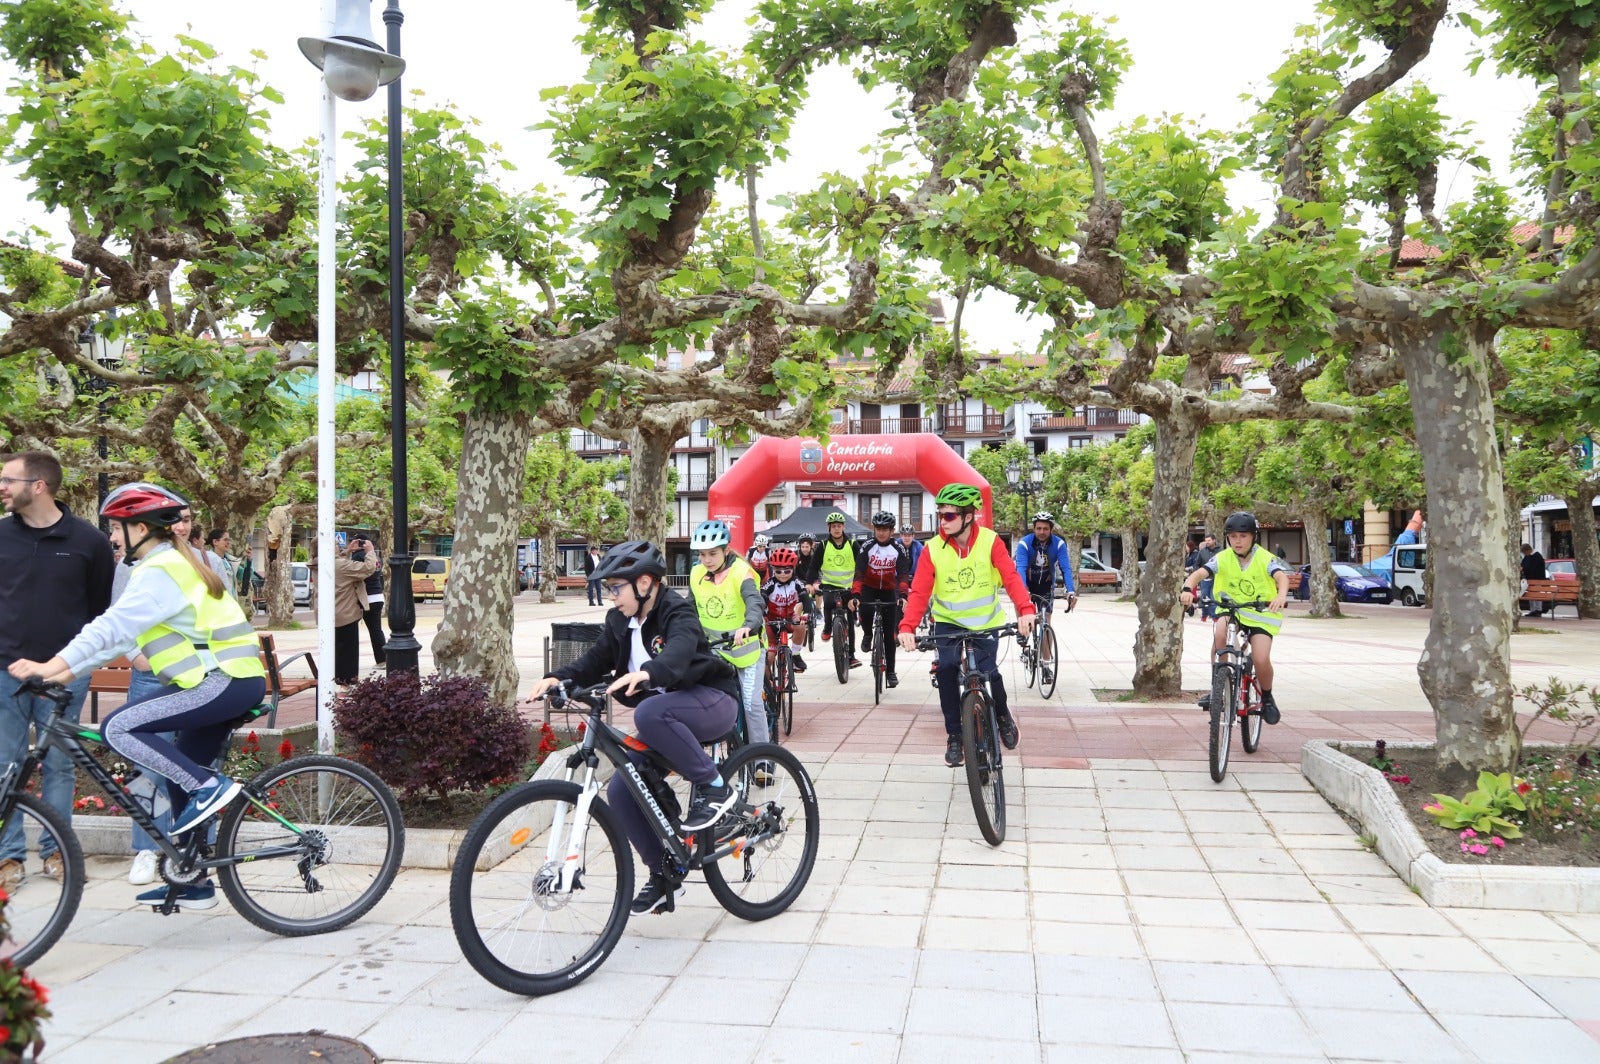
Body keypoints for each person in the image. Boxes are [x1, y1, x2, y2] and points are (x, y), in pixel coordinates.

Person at [7, 485, 267, 910]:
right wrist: (65, 673)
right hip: (222, 680)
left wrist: (47, 665)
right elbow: (119, 640)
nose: (111, 537)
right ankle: (193, 879)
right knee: (182, 777)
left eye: (115, 528)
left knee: (118, 726)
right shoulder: (167, 564)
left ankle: (208, 786)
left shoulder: (161, 569)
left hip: (222, 679)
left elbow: (110, 626)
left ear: (141, 528)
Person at [530, 540, 742, 915]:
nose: (611, 597)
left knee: (649, 713)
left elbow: (678, 652)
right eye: (609, 588)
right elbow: (596, 660)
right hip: (668, 718)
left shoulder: (678, 610)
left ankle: (713, 786)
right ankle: (664, 871)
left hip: (712, 702)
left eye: (616, 588)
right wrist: (556, 678)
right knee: (622, 787)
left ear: (645, 583)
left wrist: (648, 672)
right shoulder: (620, 622)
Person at [0, 452, 117, 894]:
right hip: (4, 671)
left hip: (64, 674)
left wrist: (70, 662)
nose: (2, 487)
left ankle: (57, 851)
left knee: (59, 767)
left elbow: (98, 610)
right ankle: (7, 859)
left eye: (8, 480)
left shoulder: (88, 541)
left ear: (39, 485)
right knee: (4, 766)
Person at [898, 484, 1036, 768]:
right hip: (948, 624)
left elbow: (1010, 577)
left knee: (988, 671)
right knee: (946, 669)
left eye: (949, 516)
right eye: (941, 516)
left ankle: (1002, 716)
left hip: (986, 622)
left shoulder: (990, 541)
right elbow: (920, 592)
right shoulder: (933, 549)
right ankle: (955, 737)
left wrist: (1025, 609)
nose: (943, 521)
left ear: (969, 516)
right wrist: (908, 626)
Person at [1180, 511, 1290, 725]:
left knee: (1260, 658)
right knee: (1220, 633)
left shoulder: (1265, 557)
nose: (1237, 541)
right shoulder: (1222, 557)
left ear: (1253, 537)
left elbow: (1281, 577)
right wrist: (1187, 589)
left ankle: (1266, 697)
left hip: (1261, 614)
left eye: (1243, 536)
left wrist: (1280, 595)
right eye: (1233, 537)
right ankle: (1219, 684)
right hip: (1231, 609)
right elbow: (1199, 573)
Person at [686, 521, 770, 755]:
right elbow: (688, 609)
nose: (707, 560)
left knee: (752, 704)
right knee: (702, 699)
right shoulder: (696, 573)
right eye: (702, 554)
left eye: (713, 553)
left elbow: (754, 601)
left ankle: (764, 760)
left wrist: (748, 626)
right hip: (714, 649)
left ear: (726, 550)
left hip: (747, 648)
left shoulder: (741, 572)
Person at [854, 510, 912, 687]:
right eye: (878, 528)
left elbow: (902, 575)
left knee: (889, 635)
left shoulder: (899, 548)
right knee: (864, 608)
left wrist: (902, 596)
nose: (881, 532)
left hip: (888, 589)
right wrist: (855, 595)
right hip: (869, 587)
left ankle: (891, 671)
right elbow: (859, 574)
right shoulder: (867, 547)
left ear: (891, 530)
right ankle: (867, 634)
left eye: (885, 529)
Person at [816, 511, 861, 668]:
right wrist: (811, 582)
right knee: (827, 603)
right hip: (829, 586)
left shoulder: (853, 544)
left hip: (848, 587)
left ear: (843, 527)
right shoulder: (822, 545)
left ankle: (852, 656)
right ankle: (828, 627)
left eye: (839, 526)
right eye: (834, 526)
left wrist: (861, 585)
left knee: (850, 618)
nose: (836, 529)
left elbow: (862, 566)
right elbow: (813, 567)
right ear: (829, 528)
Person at [1013, 511, 1078, 617]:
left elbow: (1066, 569)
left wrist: (1070, 591)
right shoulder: (1024, 543)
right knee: (1024, 620)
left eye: (1045, 529)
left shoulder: (1059, 544)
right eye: (1038, 528)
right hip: (1027, 584)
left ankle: (1045, 631)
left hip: (1046, 585)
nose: (1042, 532)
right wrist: (1023, 589)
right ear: (1034, 529)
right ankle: (1023, 632)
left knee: (1046, 619)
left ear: (1051, 530)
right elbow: (1021, 568)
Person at [334, 537, 378, 684]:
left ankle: (339, 679)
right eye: (335, 545)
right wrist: (370, 552)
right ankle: (348, 681)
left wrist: (347, 551)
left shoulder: (316, 563)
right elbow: (368, 568)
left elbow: (337, 562)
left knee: (337, 650)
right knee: (349, 651)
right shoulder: (341, 565)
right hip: (346, 612)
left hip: (330, 614)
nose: (338, 548)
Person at [761, 546, 812, 675]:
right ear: (773, 570)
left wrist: (806, 614)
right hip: (771, 622)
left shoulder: (796, 583)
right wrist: (760, 614)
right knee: (769, 658)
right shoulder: (770, 584)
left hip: (789, 619)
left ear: (793, 569)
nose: (782, 574)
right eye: (778, 571)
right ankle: (767, 689)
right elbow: (762, 598)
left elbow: (805, 597)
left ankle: (795, 655)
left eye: (787, 571)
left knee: (801, 625)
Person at [361, 540, 387, 666]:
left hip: (365, 598)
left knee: (347, 631)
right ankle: (382, 660)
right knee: (376, 630)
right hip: (378, 596)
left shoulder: (359, 557)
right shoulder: (375, 558)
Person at [1194, 533, 1220, 620]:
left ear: (1214, 540)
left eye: (1209, 540)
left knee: (1213, 597)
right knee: (1204, 597)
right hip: (1205, 579)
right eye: (1206, 541)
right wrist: (1198, 574)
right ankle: (1204, 615)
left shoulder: (1221, 551)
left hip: (1217, 578)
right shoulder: (1202, 552)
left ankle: (1214, 616)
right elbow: (1197, 564)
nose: (1207, 542)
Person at [1520, 543, 1549, 617]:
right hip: (1530, 579)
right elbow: (1523, 564)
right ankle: (1532, 610)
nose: (1525, 554)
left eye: (1525, 552)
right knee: (1531, 594)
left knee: (1537, 594)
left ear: (1528, 550)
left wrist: (1524, 568)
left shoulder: (1537, 556)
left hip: (1537, 579)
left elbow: (1534, 568)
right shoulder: (1527, 557)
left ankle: (1538, 609)